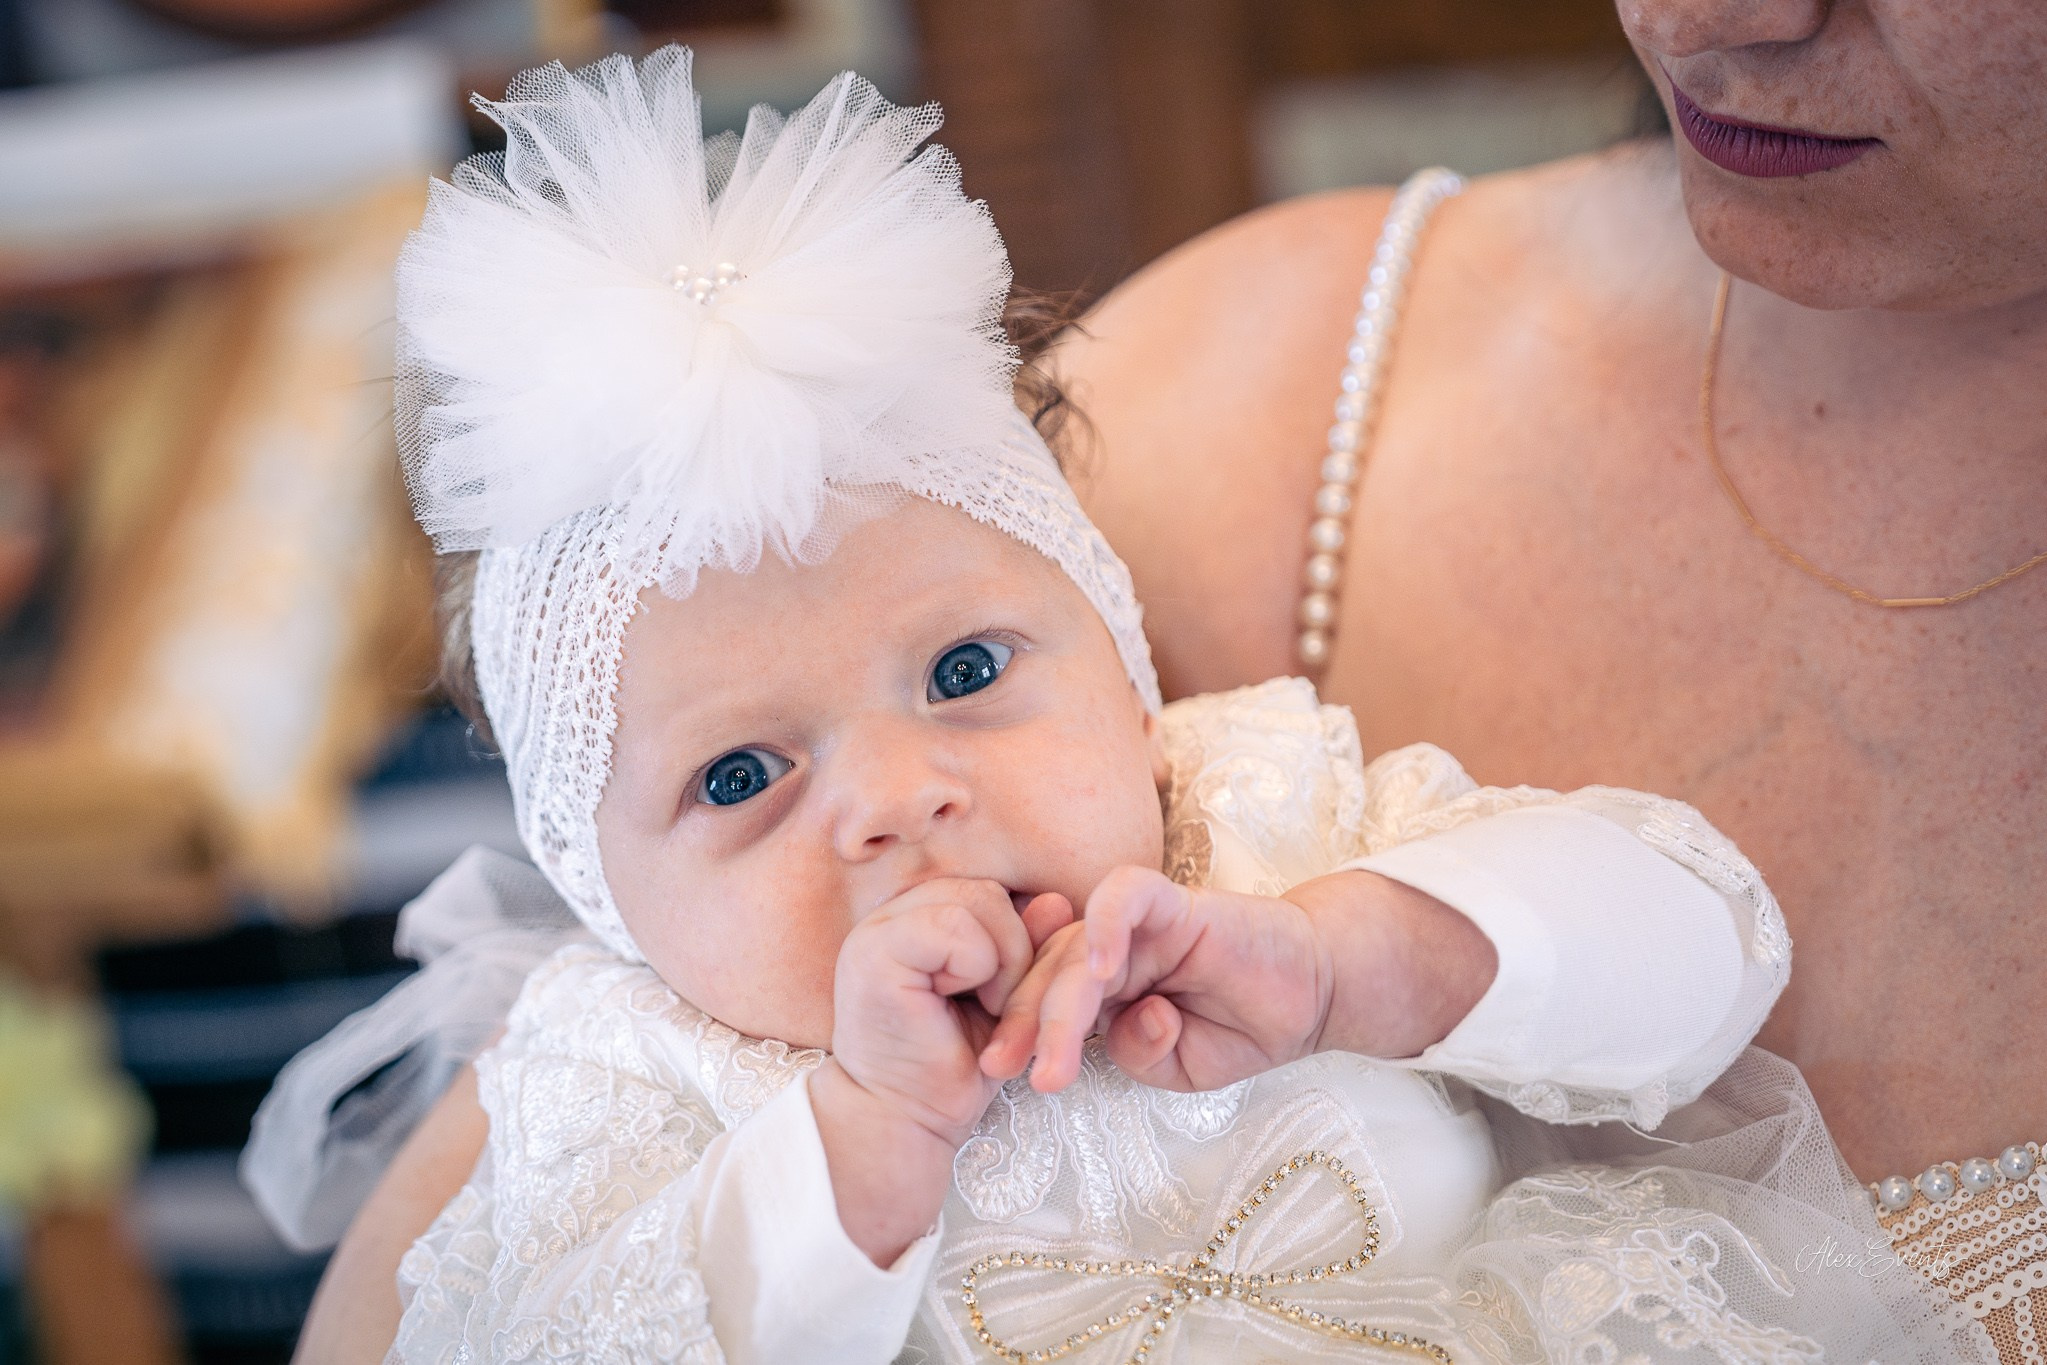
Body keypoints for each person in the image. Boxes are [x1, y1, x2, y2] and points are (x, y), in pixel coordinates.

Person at [287, 1, 2047, 1358]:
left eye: (967, 667)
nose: (899, 795)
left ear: (1120, 655)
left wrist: (1366, 956)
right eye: (740, 777)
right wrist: (859, 1139)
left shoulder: (1253, 815)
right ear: (604, 886)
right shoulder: (638, 1067)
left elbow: (1705, 946)